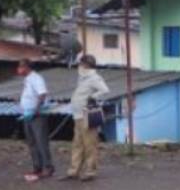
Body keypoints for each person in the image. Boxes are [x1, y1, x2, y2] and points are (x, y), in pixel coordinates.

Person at [61, 54, 110, 182]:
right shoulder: (82, 78)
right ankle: (73, 171)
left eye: (81, 64)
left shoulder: (94, 78)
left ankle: (90, 171)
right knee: (77, 144)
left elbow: (105, 90)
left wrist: (92, 97)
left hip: (87, 115)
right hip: (77, 115)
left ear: (86, 65)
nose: (79, 66)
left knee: (90, 144)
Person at [16, 59, 53, 182]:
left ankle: (48, 167)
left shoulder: (36, 78)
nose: (19, 69)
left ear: (27, 67)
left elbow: (42, 94)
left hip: (37, 114)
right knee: (32, 142)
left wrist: (36, 109)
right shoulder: (27, 80)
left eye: (21, 67)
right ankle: (37, 167)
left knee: (41, 141)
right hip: (28, 114)